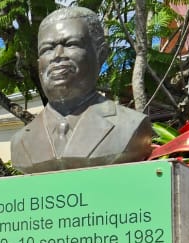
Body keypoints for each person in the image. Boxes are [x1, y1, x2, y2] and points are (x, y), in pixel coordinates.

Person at [10, 5, 153, 173]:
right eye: (47, 49)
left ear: (101, 53)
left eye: (71, 44)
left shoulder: (131, 126)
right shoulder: (20, 141)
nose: (57, 55)